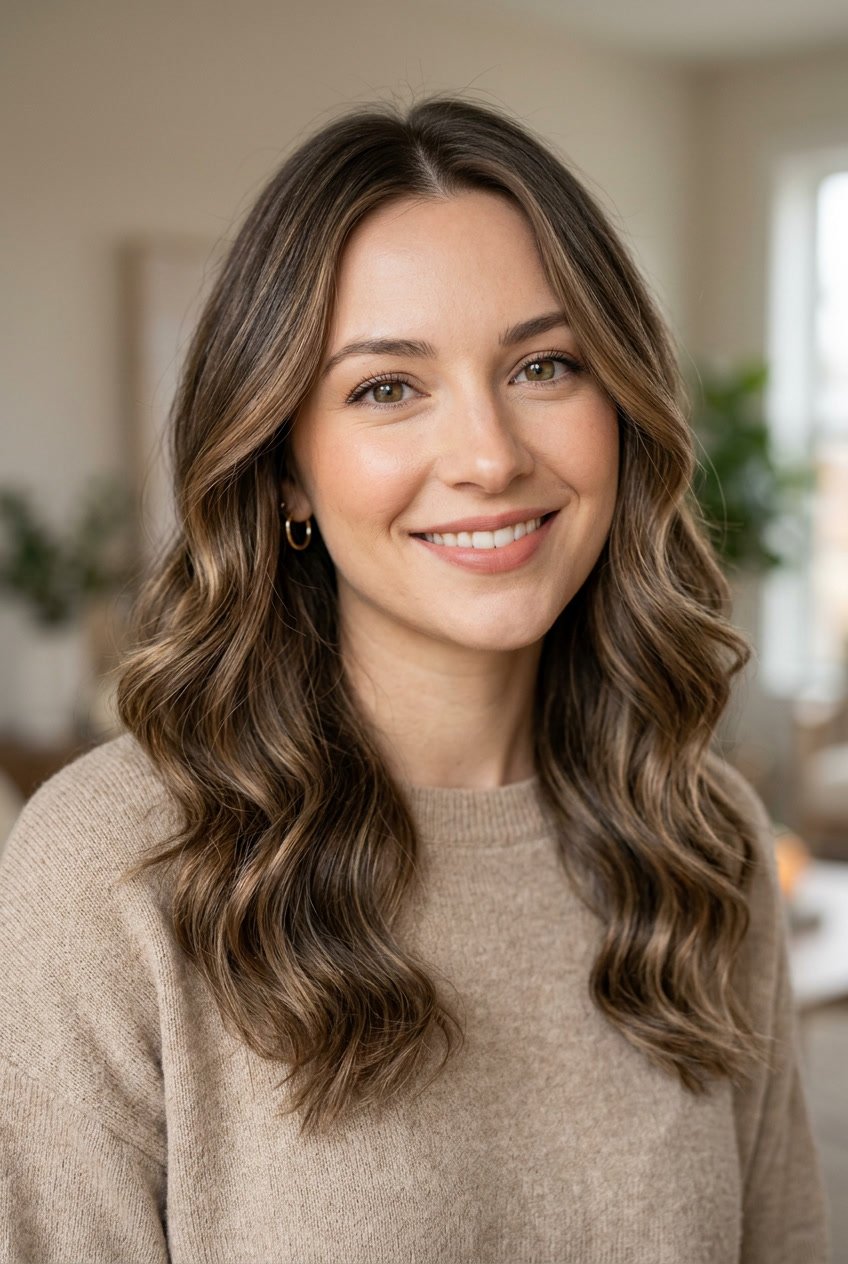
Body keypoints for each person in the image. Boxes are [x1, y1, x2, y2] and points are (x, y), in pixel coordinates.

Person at [0, 94, 830, 1263]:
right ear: (284, 467)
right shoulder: (110, 867)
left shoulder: (703, 841)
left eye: (544, 365)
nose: (490, 455)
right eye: (387, 387)